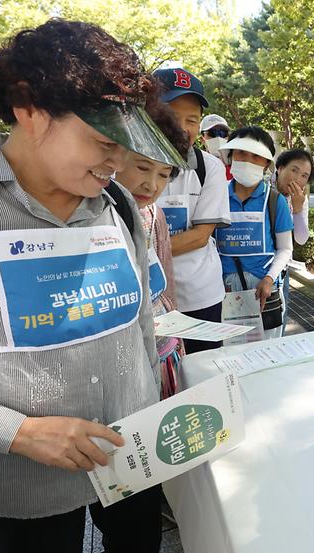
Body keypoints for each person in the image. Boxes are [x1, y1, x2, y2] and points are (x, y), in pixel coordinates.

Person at [0, 20, 187, 553]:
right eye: (101, 140)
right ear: (29, 109)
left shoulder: (116, 205)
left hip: (129, 459)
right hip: (19, 484)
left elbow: (139, 323)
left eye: (126, 144)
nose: (117, 164)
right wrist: (19, 434)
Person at [114, 96, 191, 397]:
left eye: (163, 174)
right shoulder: (96, 212)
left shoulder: (152, 213)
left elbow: (166, 280)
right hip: (124, 358)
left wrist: (177, 334)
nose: (152, 185)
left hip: (163, 343)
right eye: (143, 168)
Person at [152, 67, 232, 354]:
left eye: (193, 120)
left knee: (204, 371)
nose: (184, 127)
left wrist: (141, 252)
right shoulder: (124, 165)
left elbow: (200, 236)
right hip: (148, 299)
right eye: (173, 116)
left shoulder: (208, 167)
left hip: (201, 296)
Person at [216, 127, 294, 340]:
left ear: (267, 163)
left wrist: (269, 279)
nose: (248, 160)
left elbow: (286, 248)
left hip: (263, 293)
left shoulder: (275, 201)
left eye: (256, 156)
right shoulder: (215, 195)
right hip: (224, 291)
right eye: (241, 153)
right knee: (228, 356)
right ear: (231, 156)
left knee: (265, 355)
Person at [274, 148, 314, 328]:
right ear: (280, 168)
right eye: (294, 170)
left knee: (276, 322)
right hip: (252, 264)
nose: (298, 179)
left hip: (280, 269)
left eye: (304, 176)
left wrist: (297, 209)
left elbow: (301, 239)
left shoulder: (299, 199)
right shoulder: (262, 188)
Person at [200, 113, 232, 180]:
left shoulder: (237, 167)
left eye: (223, 133)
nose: (218, 137)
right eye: (212, 133)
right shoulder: (196, 166)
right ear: (202, 139)